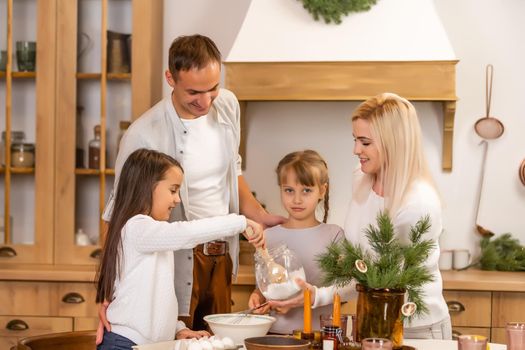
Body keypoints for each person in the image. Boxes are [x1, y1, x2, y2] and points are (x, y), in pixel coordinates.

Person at [99, 34, 284, 335]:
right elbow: (116, 211)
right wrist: (106, 292)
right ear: (170, 78)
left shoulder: (227, 105)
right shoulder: (143, 134)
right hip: (178, 259)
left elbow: (232, 170)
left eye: (213, 88)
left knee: (217, 341)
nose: (206, 101)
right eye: (194, 92)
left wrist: (259, 215)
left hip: (222, 256)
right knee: (177, 335)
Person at [96, 148, 265, 349]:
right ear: (147, 187)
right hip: (124, 344)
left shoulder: (152, 235)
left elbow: (154, 298)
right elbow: (187, 233)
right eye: (173, 190)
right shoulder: (136, 228)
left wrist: (177, 329)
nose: (177, 200)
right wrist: (240, 222)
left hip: (144, 344)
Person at [345, 92, 451, 339]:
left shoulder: (417, 203)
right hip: (373, 321)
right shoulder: (360, 179)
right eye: (355, 139)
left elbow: (380, 278)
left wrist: (320, 296)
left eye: (365, 142)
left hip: (417, 329)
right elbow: (358, 265)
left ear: (394, 143)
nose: (355, 149)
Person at [248, 150, 344, 334]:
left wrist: (310, 297)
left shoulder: (334, 236)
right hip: (273, 336)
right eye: (289, 190)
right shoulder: (268, 237)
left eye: (306, 190)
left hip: (319, 337)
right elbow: (265, 285)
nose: (297, 199)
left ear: (322, 191)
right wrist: (257, 296)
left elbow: (343, 291)